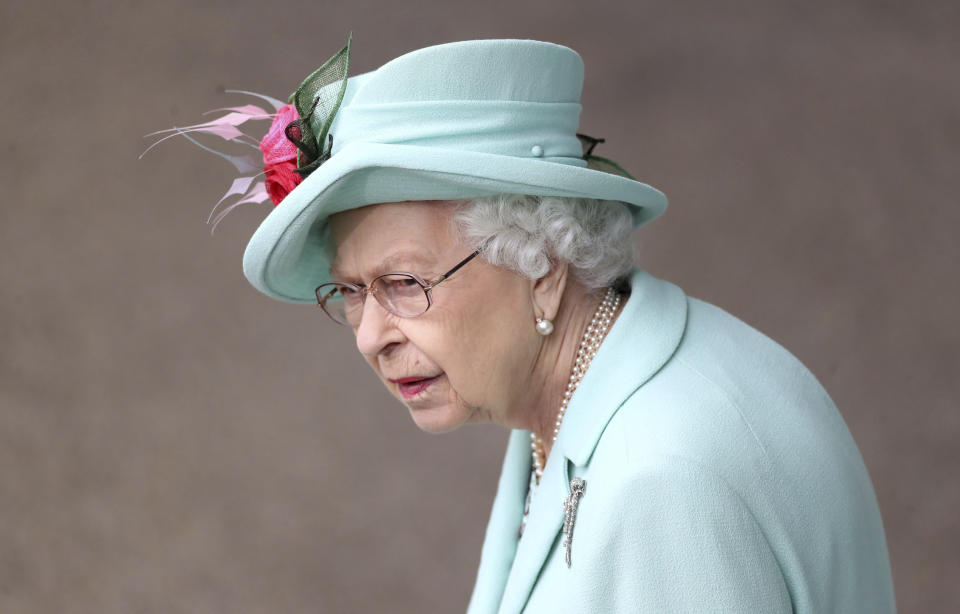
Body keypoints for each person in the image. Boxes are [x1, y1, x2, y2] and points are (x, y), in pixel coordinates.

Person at [158, 37, 897, 613]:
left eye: (405, 283)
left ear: (541, 266)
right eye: (350, 291)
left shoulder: (666, 484)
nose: (368, 336)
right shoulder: (575, 390)